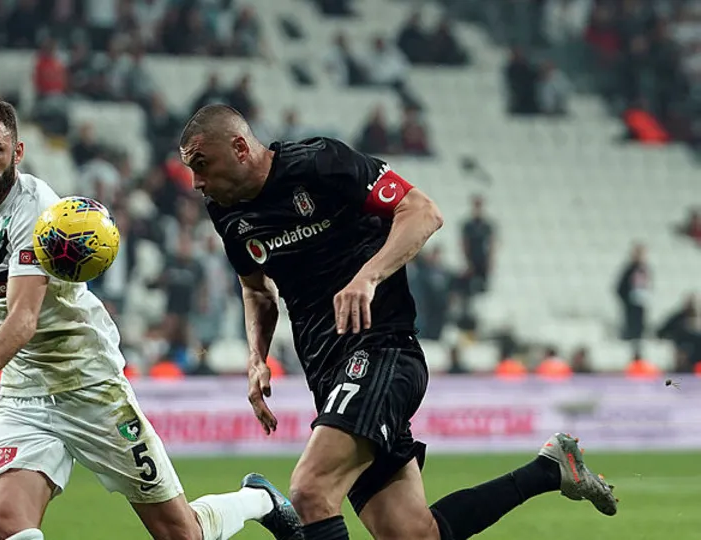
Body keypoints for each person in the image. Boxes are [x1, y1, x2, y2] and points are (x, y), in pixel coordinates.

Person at [179, 104, 618, 540]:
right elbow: (257, 290)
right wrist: (256, 358)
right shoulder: (227, 213)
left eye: (202, 164)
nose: (197, 182)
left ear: (240, 147)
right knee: (412, 534)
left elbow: (422, 211)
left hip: (381, 351)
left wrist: (368, 276)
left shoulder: (320, 163)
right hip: (326, 371)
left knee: (310, 492)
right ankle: (549, 469)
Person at [0, 97, 302, 540]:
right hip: (25, 391)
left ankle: (259, 499)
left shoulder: (37, 211)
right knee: (8, 526)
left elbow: (24, 317)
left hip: (88, 382)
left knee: (181, 534)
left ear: (18, 152)